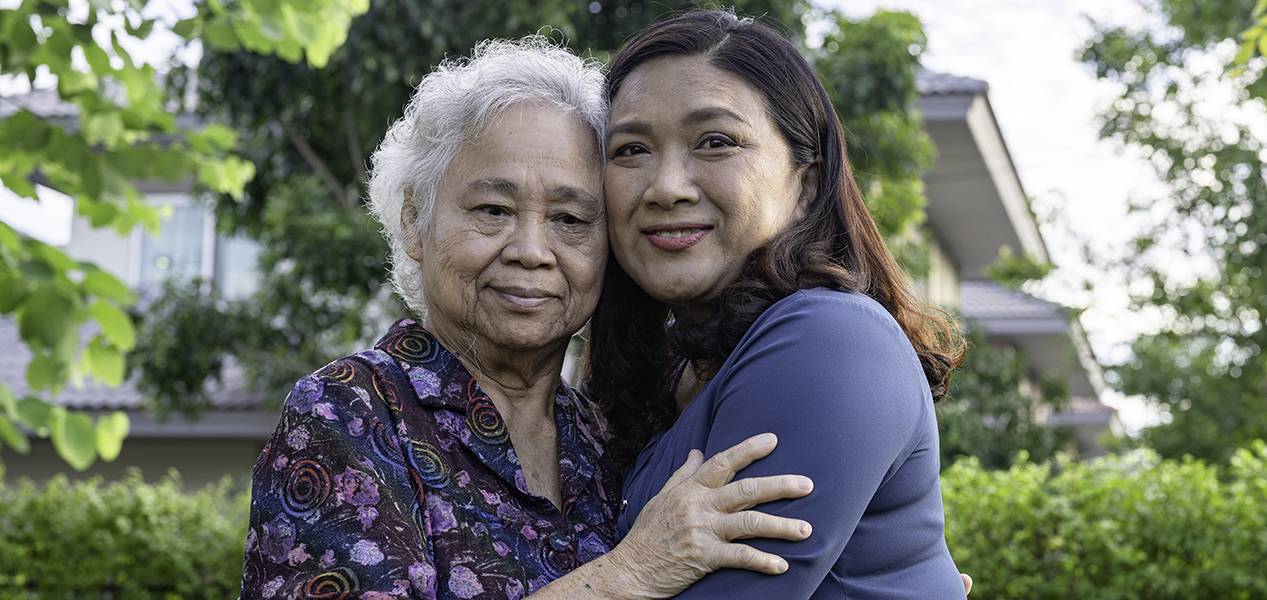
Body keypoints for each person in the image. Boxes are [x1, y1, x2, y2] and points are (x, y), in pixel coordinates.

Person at [238, 38, 815, 600]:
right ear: (415, 221)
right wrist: (631, 573)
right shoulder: (351, 412)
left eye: (570, 219)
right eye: (494, 210)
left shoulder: (607, 433)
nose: (532, 250)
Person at [587, 10, 970, 599]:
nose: (666, 187)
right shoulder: (672, 370)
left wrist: (622, 578)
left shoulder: (830, 340)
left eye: (716, 142)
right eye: (631, 149)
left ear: (807, 184)